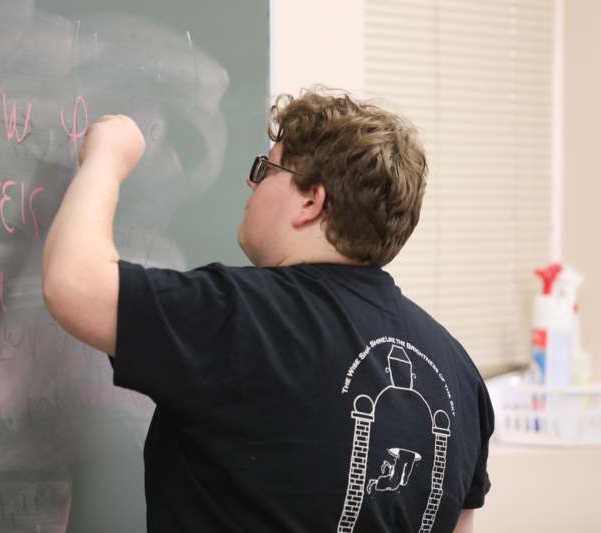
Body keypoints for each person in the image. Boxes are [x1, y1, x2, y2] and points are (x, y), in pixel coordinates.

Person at [41, 86, 494, 533]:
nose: (251, 182)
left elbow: (74, 283)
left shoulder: (243, 315)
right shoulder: (459, 372)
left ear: (310, 201)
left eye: (267, 168)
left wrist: (105, 159)